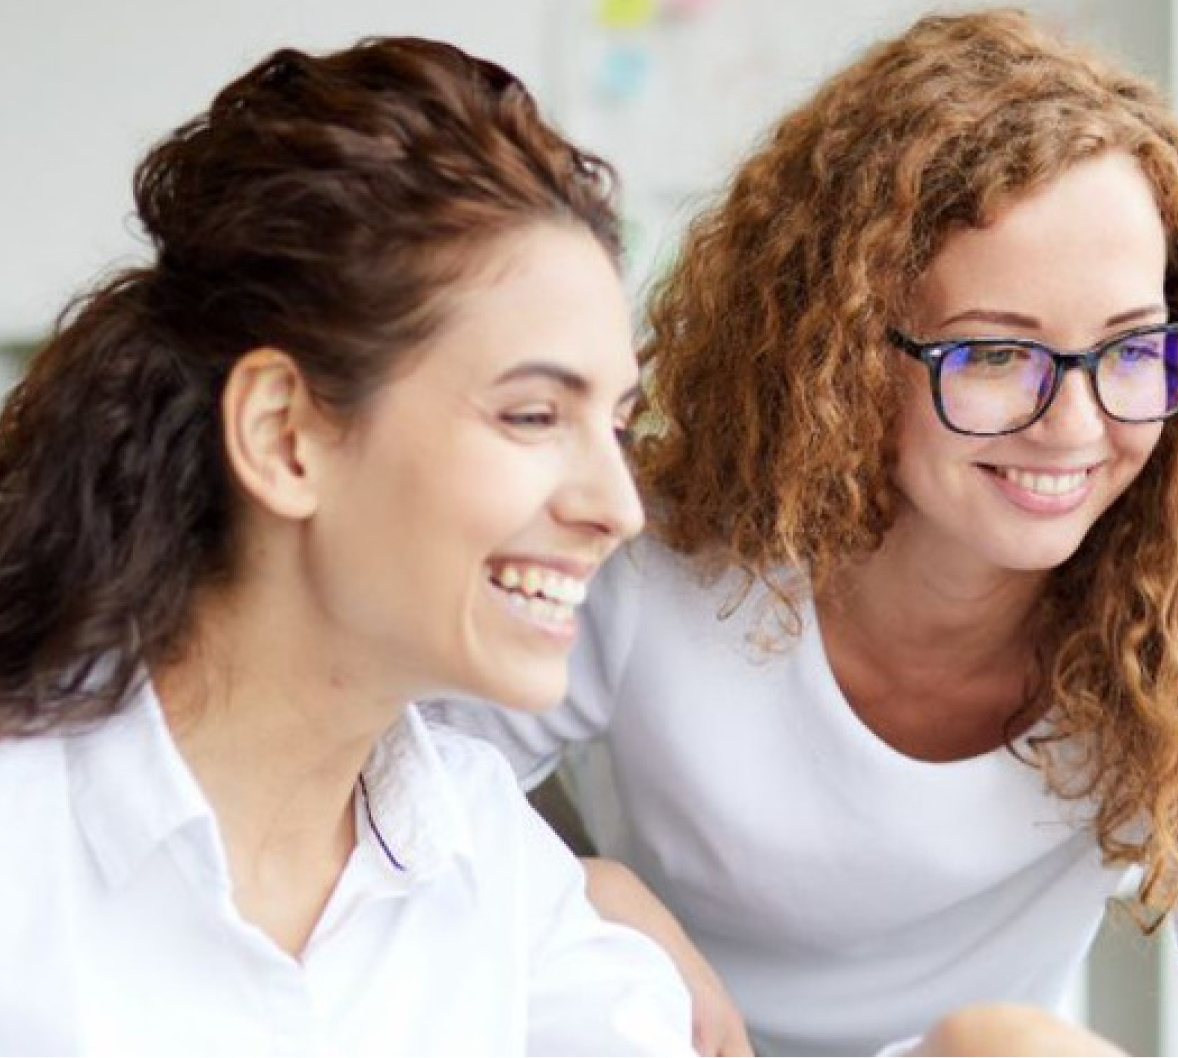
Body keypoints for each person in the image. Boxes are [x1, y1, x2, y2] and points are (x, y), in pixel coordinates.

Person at [429, 10, 1178, 1058]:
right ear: (840, 352)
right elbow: (385, 801)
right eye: (992, 354)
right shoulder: (644, 554)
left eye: (1130, 350)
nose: (1074, 428)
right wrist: (578, 884)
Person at [0, 36, 700, 1057]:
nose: (616, 506)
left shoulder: (494, 869)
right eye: (534, 414)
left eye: (618, 427)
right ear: (285, 435)